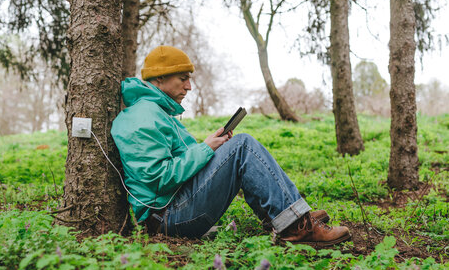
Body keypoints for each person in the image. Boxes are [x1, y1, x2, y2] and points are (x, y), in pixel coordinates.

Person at [111, 46, 350, 247]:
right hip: (166, 217)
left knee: (237, 147)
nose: (189, 87)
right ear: (160, 78)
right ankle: (296, 226)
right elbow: (158, 179)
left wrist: (212, 148)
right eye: (183, 79)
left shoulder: (155, 112)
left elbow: (175, 164)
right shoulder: (143, 116)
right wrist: (206, 148)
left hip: (171, 209)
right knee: (242, 145)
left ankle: (287, 217)